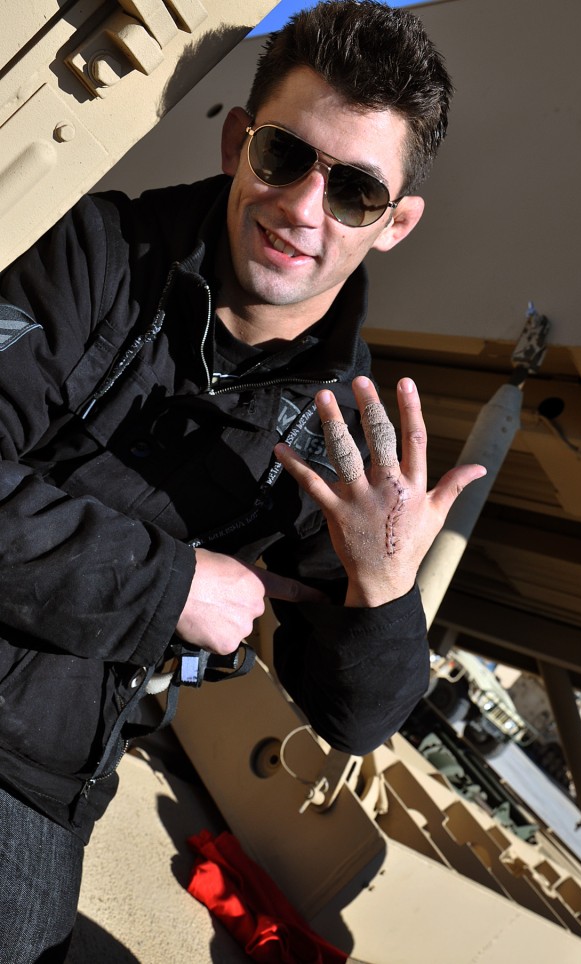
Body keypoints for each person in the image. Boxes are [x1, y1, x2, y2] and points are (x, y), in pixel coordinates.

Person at [0, 1, 484, 960]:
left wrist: (382, 598)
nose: (305, 208)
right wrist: (177, 585)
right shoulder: (93, 252)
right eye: (284, 157)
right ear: (236, 143)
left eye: (354, 193)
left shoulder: (342, 434)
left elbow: (354, 718)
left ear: (395, 224)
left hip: (36, 762)